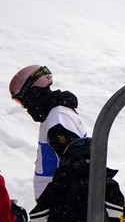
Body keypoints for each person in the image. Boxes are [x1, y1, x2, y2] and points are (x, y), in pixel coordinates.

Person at [10, 64, 87, 199]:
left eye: (21, 100)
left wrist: (55, 205)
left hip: (61, 207)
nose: (25, 107)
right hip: (55, 206)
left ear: (32, 93)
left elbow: (77, 167)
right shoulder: (54, 115)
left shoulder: (57, 119)